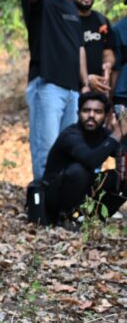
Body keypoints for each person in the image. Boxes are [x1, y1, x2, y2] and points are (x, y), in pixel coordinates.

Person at [23, 0, 87, 180]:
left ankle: (60, 203)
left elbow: (78, 46)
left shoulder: (70, 5)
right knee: (46, 149)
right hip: (46, 84)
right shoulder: (38, 0)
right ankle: (42, 205)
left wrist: (85, 83)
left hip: (72, 89)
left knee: (67, 150)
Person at [41, 92, 125, 225]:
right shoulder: (70, 135)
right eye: (86, 110)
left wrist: (123, 133)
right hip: (54, 197)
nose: (91, 115)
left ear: (106, 115)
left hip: (83, 191)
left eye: (97, 112)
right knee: (79, 170)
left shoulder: (105, 135)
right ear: (78, 113)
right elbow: (91, 161)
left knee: (121, 177)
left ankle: (94, 219)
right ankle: (65, 219)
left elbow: (122, 155)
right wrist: (117, 134)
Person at [68, 0, 114, 94]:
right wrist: (86, 79)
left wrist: (108, 64)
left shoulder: (101, 20)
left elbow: (108, 51)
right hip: (70, 91)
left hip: (97, 92)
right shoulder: (64, 21)